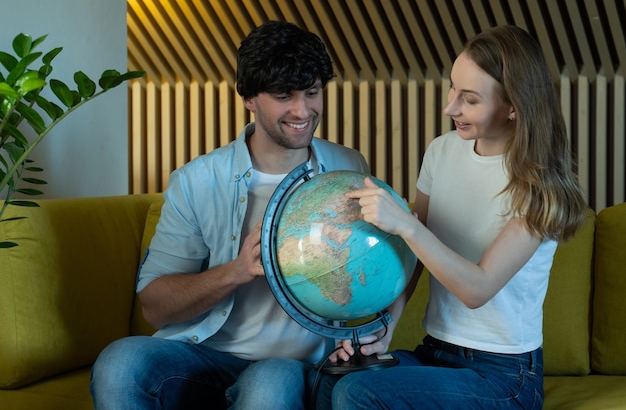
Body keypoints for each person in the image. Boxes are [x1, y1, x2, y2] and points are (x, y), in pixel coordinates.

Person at [90, 20, 368, 410]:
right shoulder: (197, 181)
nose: (303, 110)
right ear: (249, 98)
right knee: (120, 363)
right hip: (204, 354)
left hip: (289, 365)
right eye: (283, 95)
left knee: (268, 384)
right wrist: (237, 271)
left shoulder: (348, 167)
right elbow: (154, 306)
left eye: (312, 92)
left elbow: (369, 273)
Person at [313, 25, 588, 410]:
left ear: (513, 106)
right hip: (437, 351)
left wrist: (407, 225)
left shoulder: (541, 187)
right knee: (332, 380)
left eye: (470, 99)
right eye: (452, 89)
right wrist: (384, 332)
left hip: (504, 375)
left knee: (358, 393)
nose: (450, 108)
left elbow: (477, 289)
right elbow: (413, 262)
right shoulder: (441, 151)